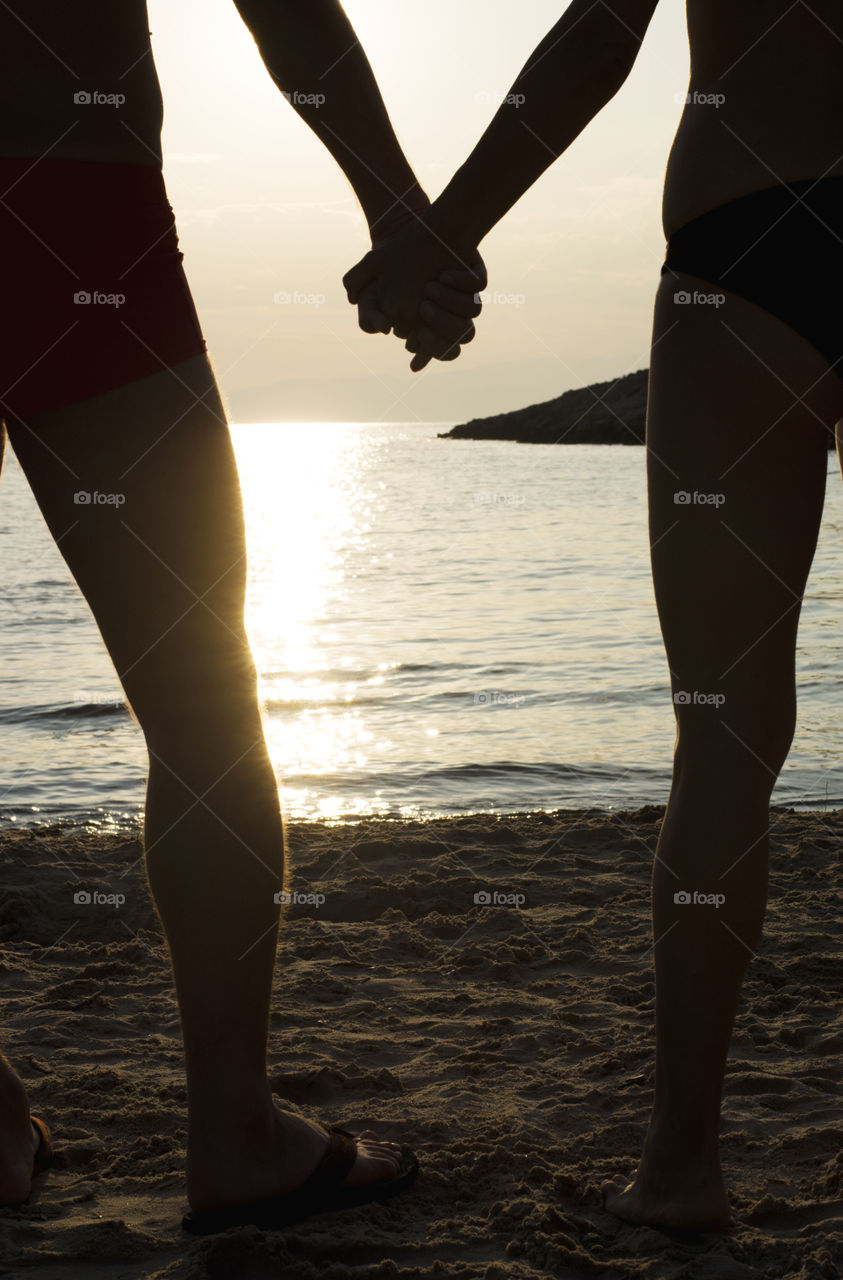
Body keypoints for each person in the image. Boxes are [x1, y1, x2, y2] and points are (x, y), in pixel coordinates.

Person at [344, 0, 843, 1231]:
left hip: (745, 239)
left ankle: (680, 1168)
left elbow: (595, 41)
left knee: (721, 746)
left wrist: (444, 232)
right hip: (739, 236)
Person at [0, 0, 480, 1235]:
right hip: (70, 203)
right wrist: (398, 212)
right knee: (206, 707)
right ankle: (235, 1128)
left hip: (78, 203)